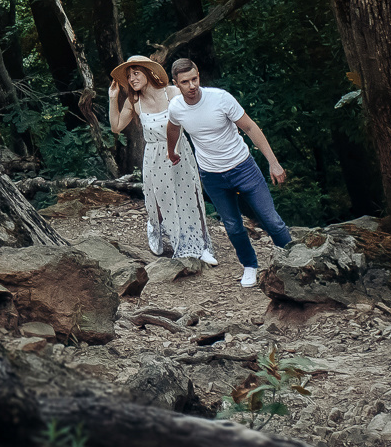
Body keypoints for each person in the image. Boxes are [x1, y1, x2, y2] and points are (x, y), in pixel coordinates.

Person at [165, 56, 292, 287]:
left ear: (199, 76)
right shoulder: (176, 107)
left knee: (271, 220)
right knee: (233, 226)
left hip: (243, 167)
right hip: (212, 175)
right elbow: (173, 128)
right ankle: (250, 266)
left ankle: (293, 261)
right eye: (185, 82)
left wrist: (273, 163)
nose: (192, 86)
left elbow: (250, 127)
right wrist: (171, 151)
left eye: (194, 79)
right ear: (176, 84)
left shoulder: (220, 98)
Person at [105, 55, 212, 263]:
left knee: (189, 196)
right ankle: (155, 227)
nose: (132, 79)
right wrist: (112, 98)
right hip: (154, 155)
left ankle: (198, 243)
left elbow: (196, 114)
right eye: (129, 76)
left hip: (180, 151)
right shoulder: (134, 102)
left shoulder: (172, 93)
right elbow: (116, 127)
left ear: (148, 73)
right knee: (159, 202)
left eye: (136, 73)